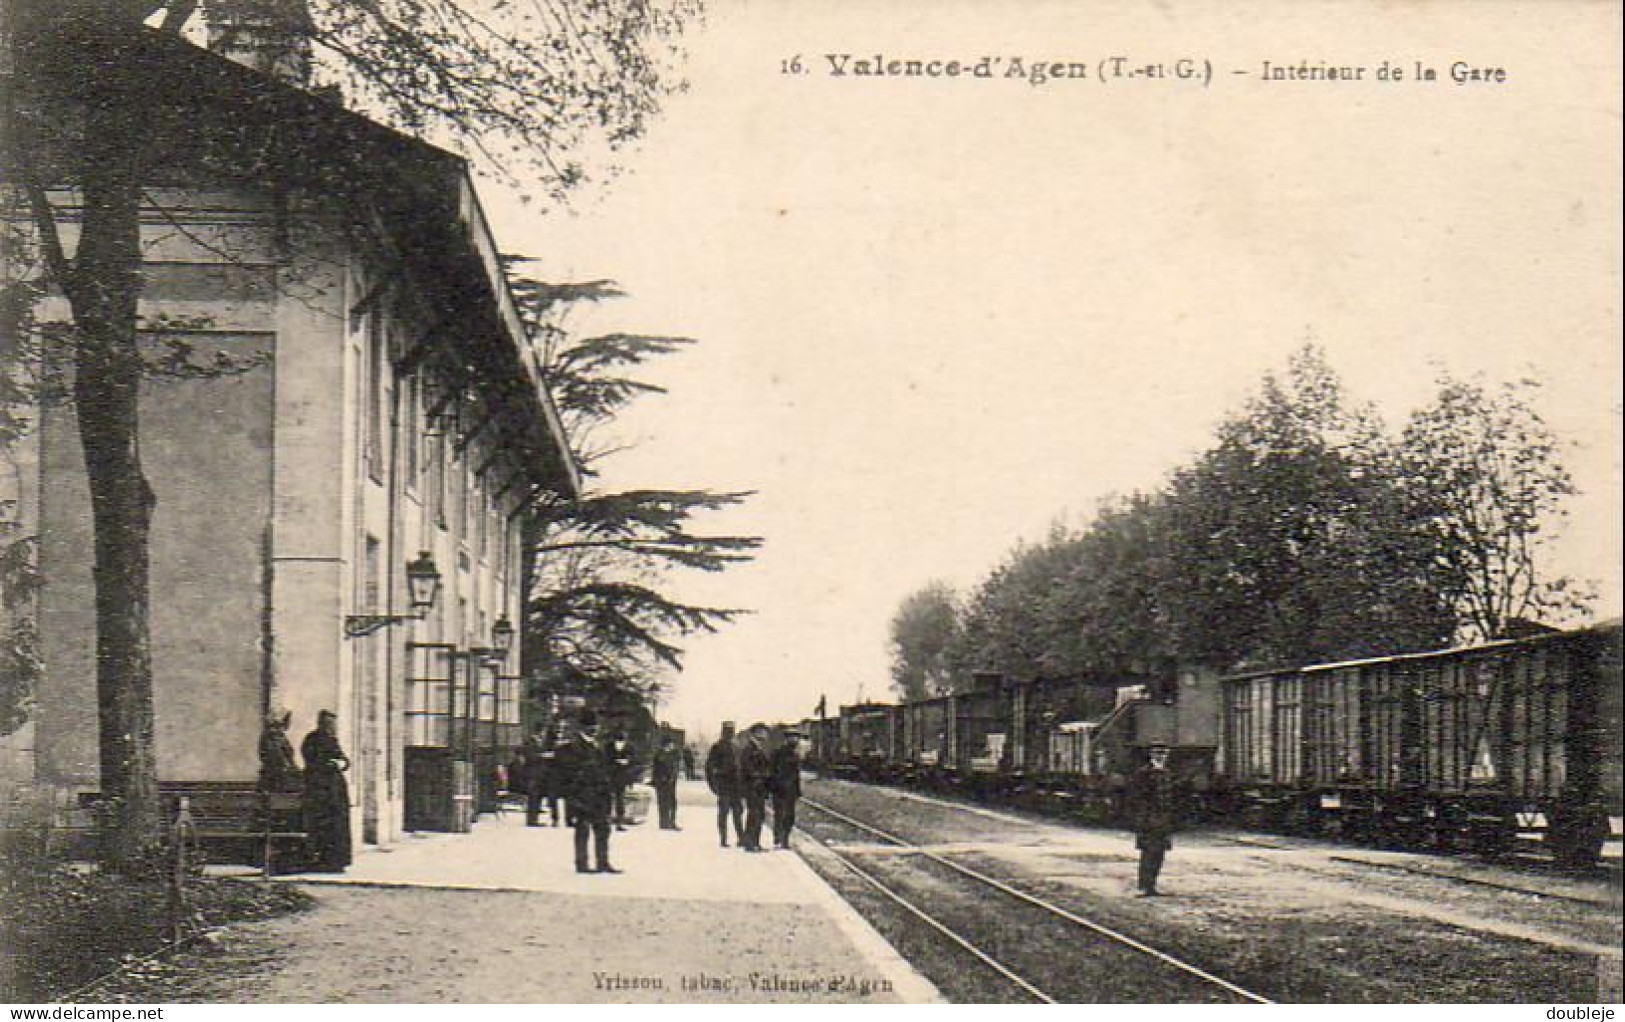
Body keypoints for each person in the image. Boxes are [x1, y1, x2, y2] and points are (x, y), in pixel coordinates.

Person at [559, 712, 619, 874]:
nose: (594, 730)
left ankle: (603, 862)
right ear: (583, 728)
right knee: (583, 829)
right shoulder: (572, 747)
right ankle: (582, 863)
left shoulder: (597, 747)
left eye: (595, 727)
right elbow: (566, 774)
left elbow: (604, 770)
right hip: (582, 795)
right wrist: (571, 798)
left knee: (603, 829)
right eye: (591, 727)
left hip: (599, 795)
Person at [300, 709, 352, 872]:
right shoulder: (311, 739)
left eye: (332, 724)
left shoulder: (332, 739)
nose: (331, 727)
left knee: (338, 825)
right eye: (327, 723)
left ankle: (337, 861)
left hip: (336, 790)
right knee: (323, 825)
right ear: (320, 723)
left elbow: (344, 759)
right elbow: (311, 761)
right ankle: (322, 860)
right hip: (320, 790)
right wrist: (327, 765)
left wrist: (341, 763)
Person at [1127, 744, 1181, 896]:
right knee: (1148, 854)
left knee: (1159, 854)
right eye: (1158, 753)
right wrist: (1142, 818)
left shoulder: (1167, 773)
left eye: (1164, 754)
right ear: (1151, 755)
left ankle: (1152, 885)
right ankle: (1145, 886)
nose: (1161, 756)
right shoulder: (1143, 773)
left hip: (1163, 820)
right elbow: (1137, 798)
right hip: (1148, 820)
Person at [704, 722, 744, 847]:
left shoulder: (737, 747)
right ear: (723, 731)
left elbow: (741, 767)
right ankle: (723, 839)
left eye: (731, 731)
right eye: (727, 731)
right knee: (724, 813)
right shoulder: (717, 747)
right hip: (724, 785)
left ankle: (741, 838)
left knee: (738, 813)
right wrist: (714, 786)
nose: (729, 733)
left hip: (736, 786)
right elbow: (710, 768)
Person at [738, 722, 772, 852]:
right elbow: (747, 768)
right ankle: (750, 843)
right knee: (755, 815)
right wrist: (761, 776)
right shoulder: (749, 749)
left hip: (759, 788)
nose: (765, 734)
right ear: (756, 733)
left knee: (758, 815)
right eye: (763, 732)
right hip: (753, 787)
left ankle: (754, 842)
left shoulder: (758, 748)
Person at [768, 731, 803, 849]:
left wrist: (798, 790)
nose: (794, 740)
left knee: (790, 816)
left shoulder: (796, 755)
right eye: (792, 738)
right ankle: (779, 837)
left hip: (791, 790)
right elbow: (772, 771)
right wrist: (774, 786)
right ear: (786, 739)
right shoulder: (777, 753)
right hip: (779, 789)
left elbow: (796, 774)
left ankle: (785, 837)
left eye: (796, 738)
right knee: (779, 814)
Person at [258, 706, 301, 793]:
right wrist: (291, 769)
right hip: (276, 779)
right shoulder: (273, 736)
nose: (289, 722)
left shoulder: (279, 736)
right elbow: (277, 757)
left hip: (280, 776)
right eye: (287, 719)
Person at [651, 735, 683, 830]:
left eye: (671, 744)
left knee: (673, 802)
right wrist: (659, 778)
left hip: (671, 782)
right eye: (669, 744)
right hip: (661, 782)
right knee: (662, 803)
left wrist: (673, 777)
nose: (670, 746)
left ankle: (672, 822)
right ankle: (664, 823)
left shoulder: (674, 754)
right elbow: (656, 769)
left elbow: (676, 767)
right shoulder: (659, 755)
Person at [607, 730, 634, 830]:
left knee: (620, 801)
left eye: (622, 741)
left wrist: (627, 762)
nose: (620, 743)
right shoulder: (608, 747)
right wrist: (615, 762)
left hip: (622, 778)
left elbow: (633, 762)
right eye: (618, 741)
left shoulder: (629, 748)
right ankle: (607, 820)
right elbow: (605, 761)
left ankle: (619, 822)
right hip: (610, 777)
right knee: (608, 800)